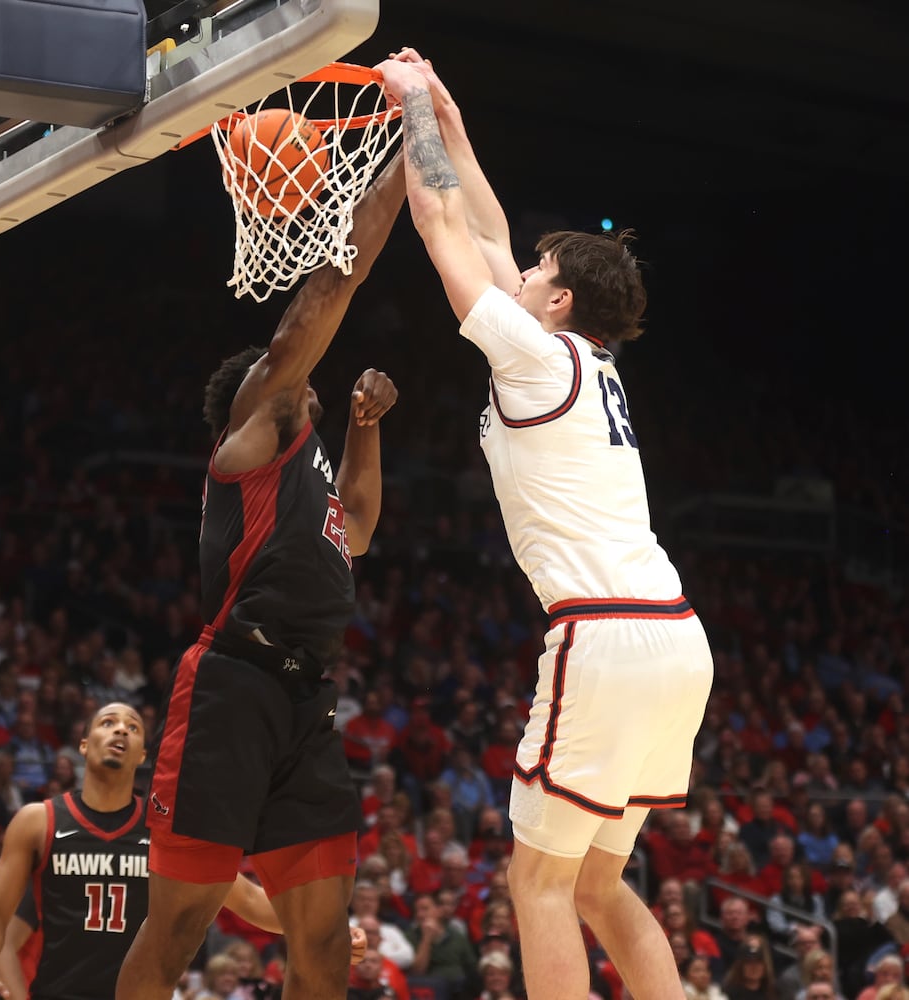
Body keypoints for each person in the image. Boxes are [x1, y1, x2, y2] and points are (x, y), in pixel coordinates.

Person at [377, 50, 714, 1000]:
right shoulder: (585, 361)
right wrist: (447, 107)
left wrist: (409, 113)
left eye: (535, 269)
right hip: (674, 634)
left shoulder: (531, 357)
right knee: (602, 885)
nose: (518, 269)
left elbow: (446, 220)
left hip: (603, 631)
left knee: (538, 882)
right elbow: (486, 223)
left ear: (556, 300)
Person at [116, 145, 406, 1000]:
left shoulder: (311, 468)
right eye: (293, 379)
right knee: (179, 923)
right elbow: (318, 303)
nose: (301, 380)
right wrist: (393, 181)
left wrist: (362, 427)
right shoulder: (248, 443)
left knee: (321, 935)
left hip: (305, 700)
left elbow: (353, 526)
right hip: (232, 683)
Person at [0, 703, 296, 1000]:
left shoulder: (165, 831)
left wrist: (333, 932)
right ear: (83, 744)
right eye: (108, 722)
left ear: (142, 755)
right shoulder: (37, 822)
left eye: (133, 727)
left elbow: (250, 901)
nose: (121, 729)